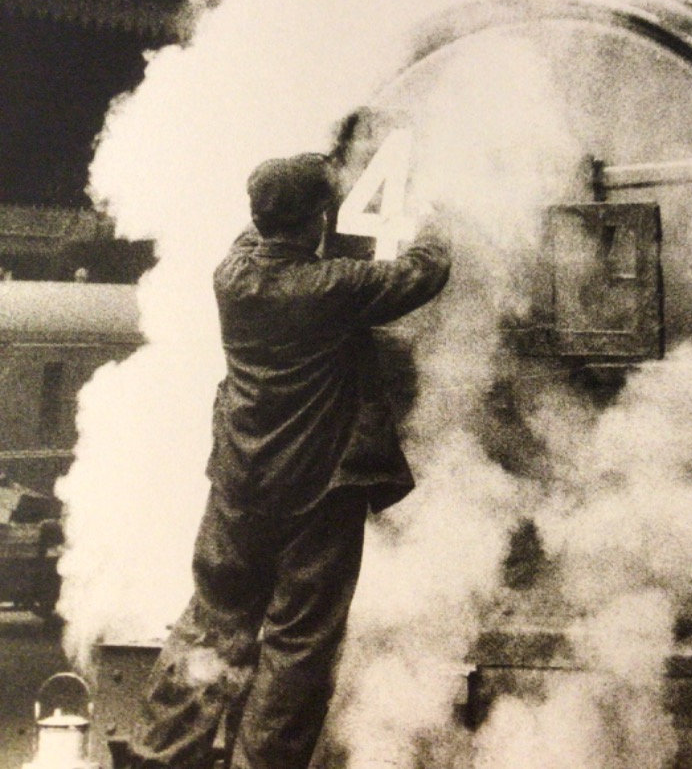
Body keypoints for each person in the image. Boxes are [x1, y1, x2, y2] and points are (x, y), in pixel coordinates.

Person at [129, 152, 451, 769]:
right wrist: (430, 217)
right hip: (316, 491)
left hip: (238, 485)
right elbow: (423, 272)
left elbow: (263, 231)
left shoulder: (232, 275)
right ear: (320, 219)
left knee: (210, 624)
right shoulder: (332, 286)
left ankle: (162, 756)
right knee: (298, 644)